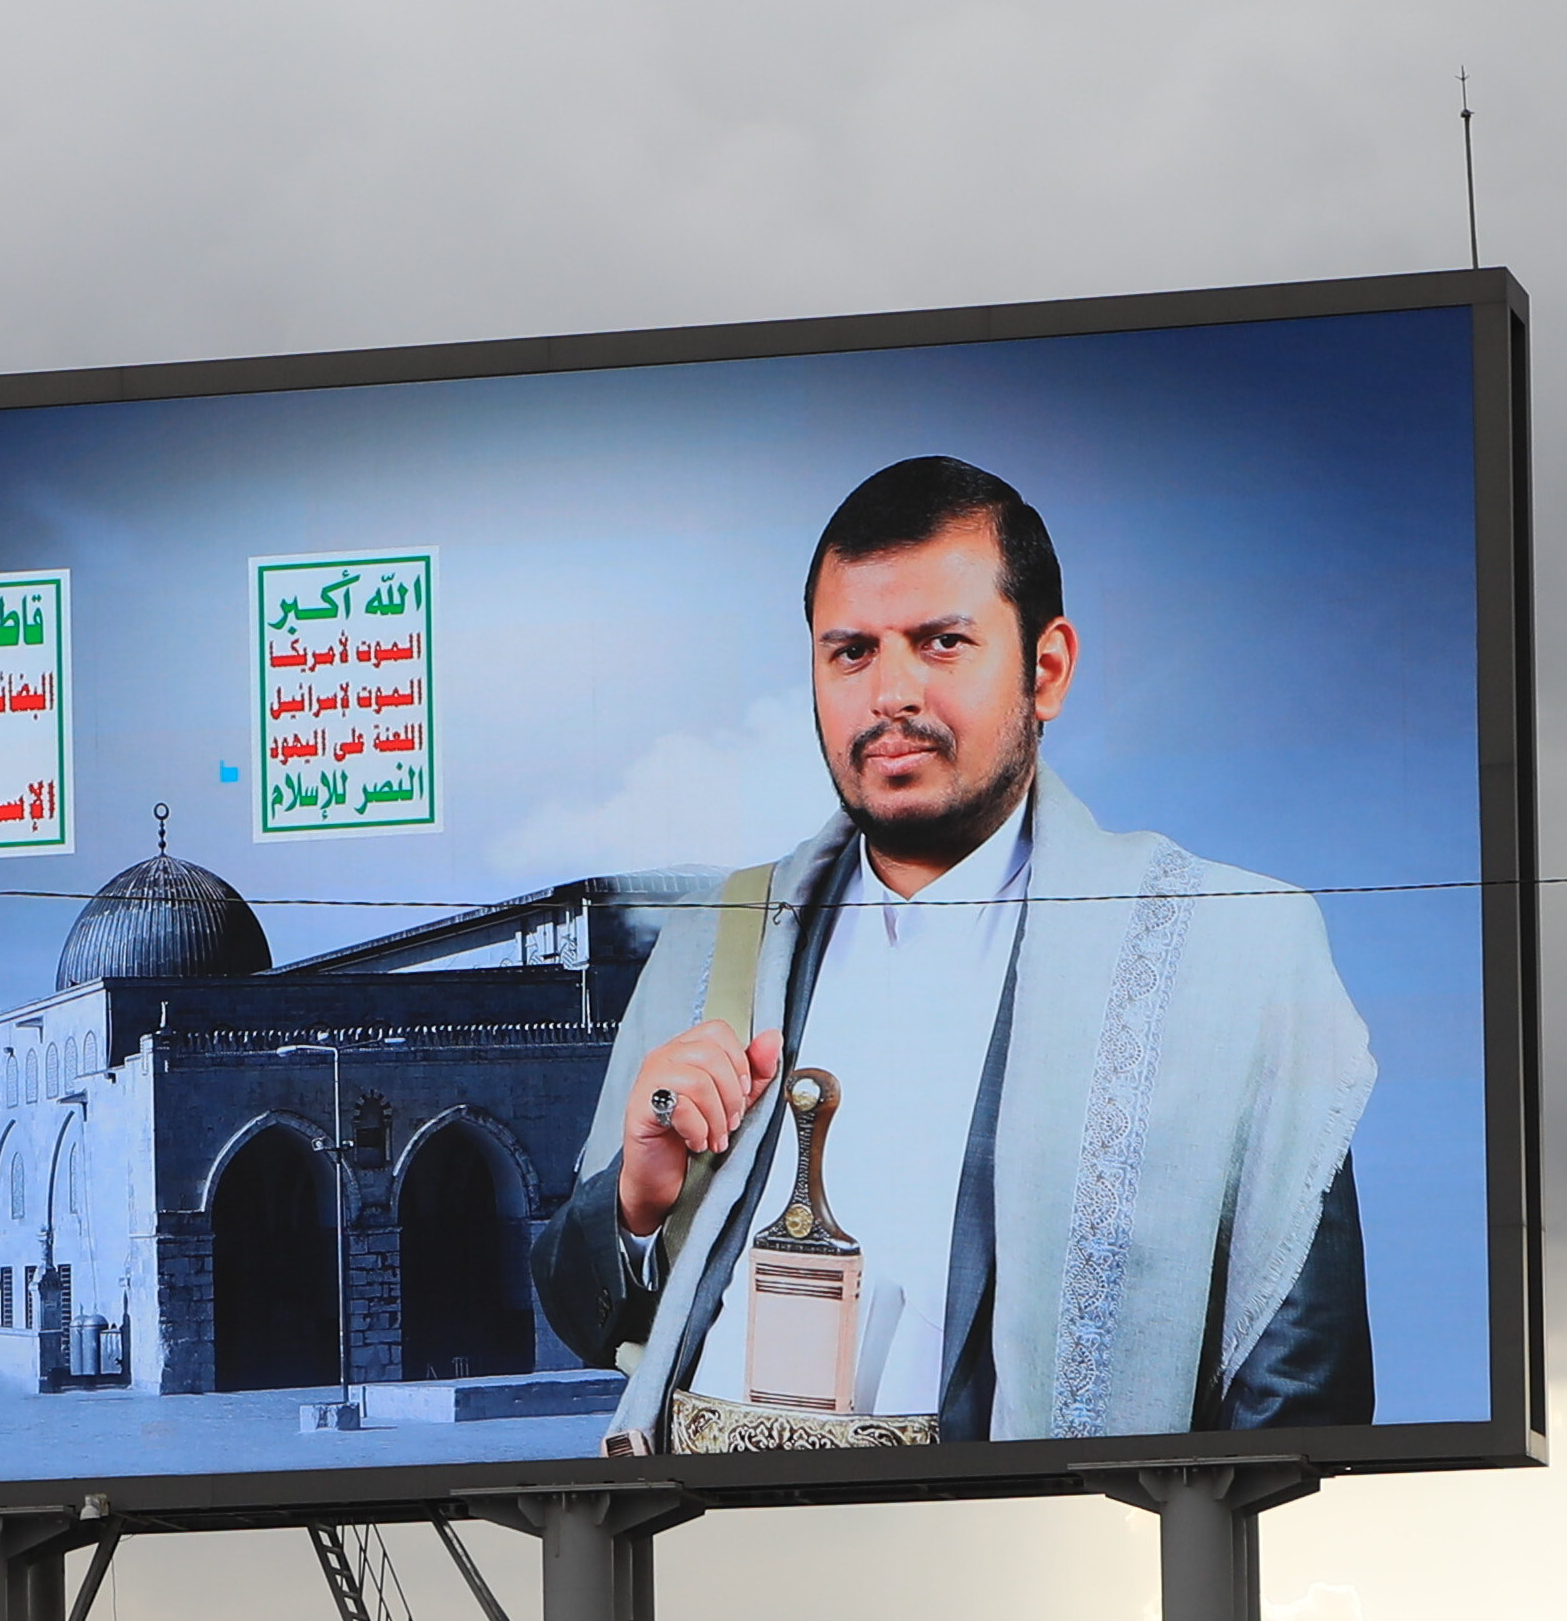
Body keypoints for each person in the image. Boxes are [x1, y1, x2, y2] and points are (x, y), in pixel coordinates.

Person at [538, 455, 1378, 1454]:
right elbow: (586, 1315)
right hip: (708, 1529)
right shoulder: (713, 941)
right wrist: (636, 1201)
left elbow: (1299, 1391)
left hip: (1022, 1533)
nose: (890, 693)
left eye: (941, 642)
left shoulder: (1229, 950)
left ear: (1046, 669)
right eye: (851, 652)